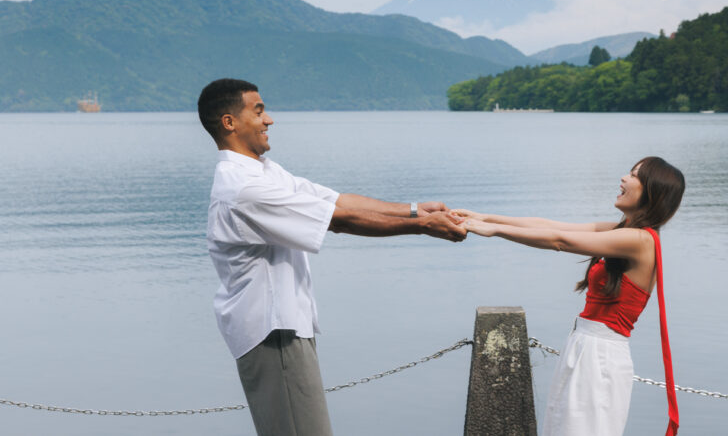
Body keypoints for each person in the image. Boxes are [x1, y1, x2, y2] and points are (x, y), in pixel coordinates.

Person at [197, 78, 466, 436]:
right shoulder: (244, 188)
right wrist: (423, 227)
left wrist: (416, 210)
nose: (269, 120)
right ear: (230, 122)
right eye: (259, 111)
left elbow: (337, 201)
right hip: (273, 332)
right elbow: (340, 220)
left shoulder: (265, 172)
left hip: (285, 328)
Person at [457, 156, 684, 436]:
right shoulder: (622, 232)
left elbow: (559, 241)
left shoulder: (640, 240)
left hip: (600, 355)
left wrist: (495, 231)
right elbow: (549, 226)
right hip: (584, 347)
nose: (624, 178)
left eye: (634, 176)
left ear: (653, 191)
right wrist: (481, 217)